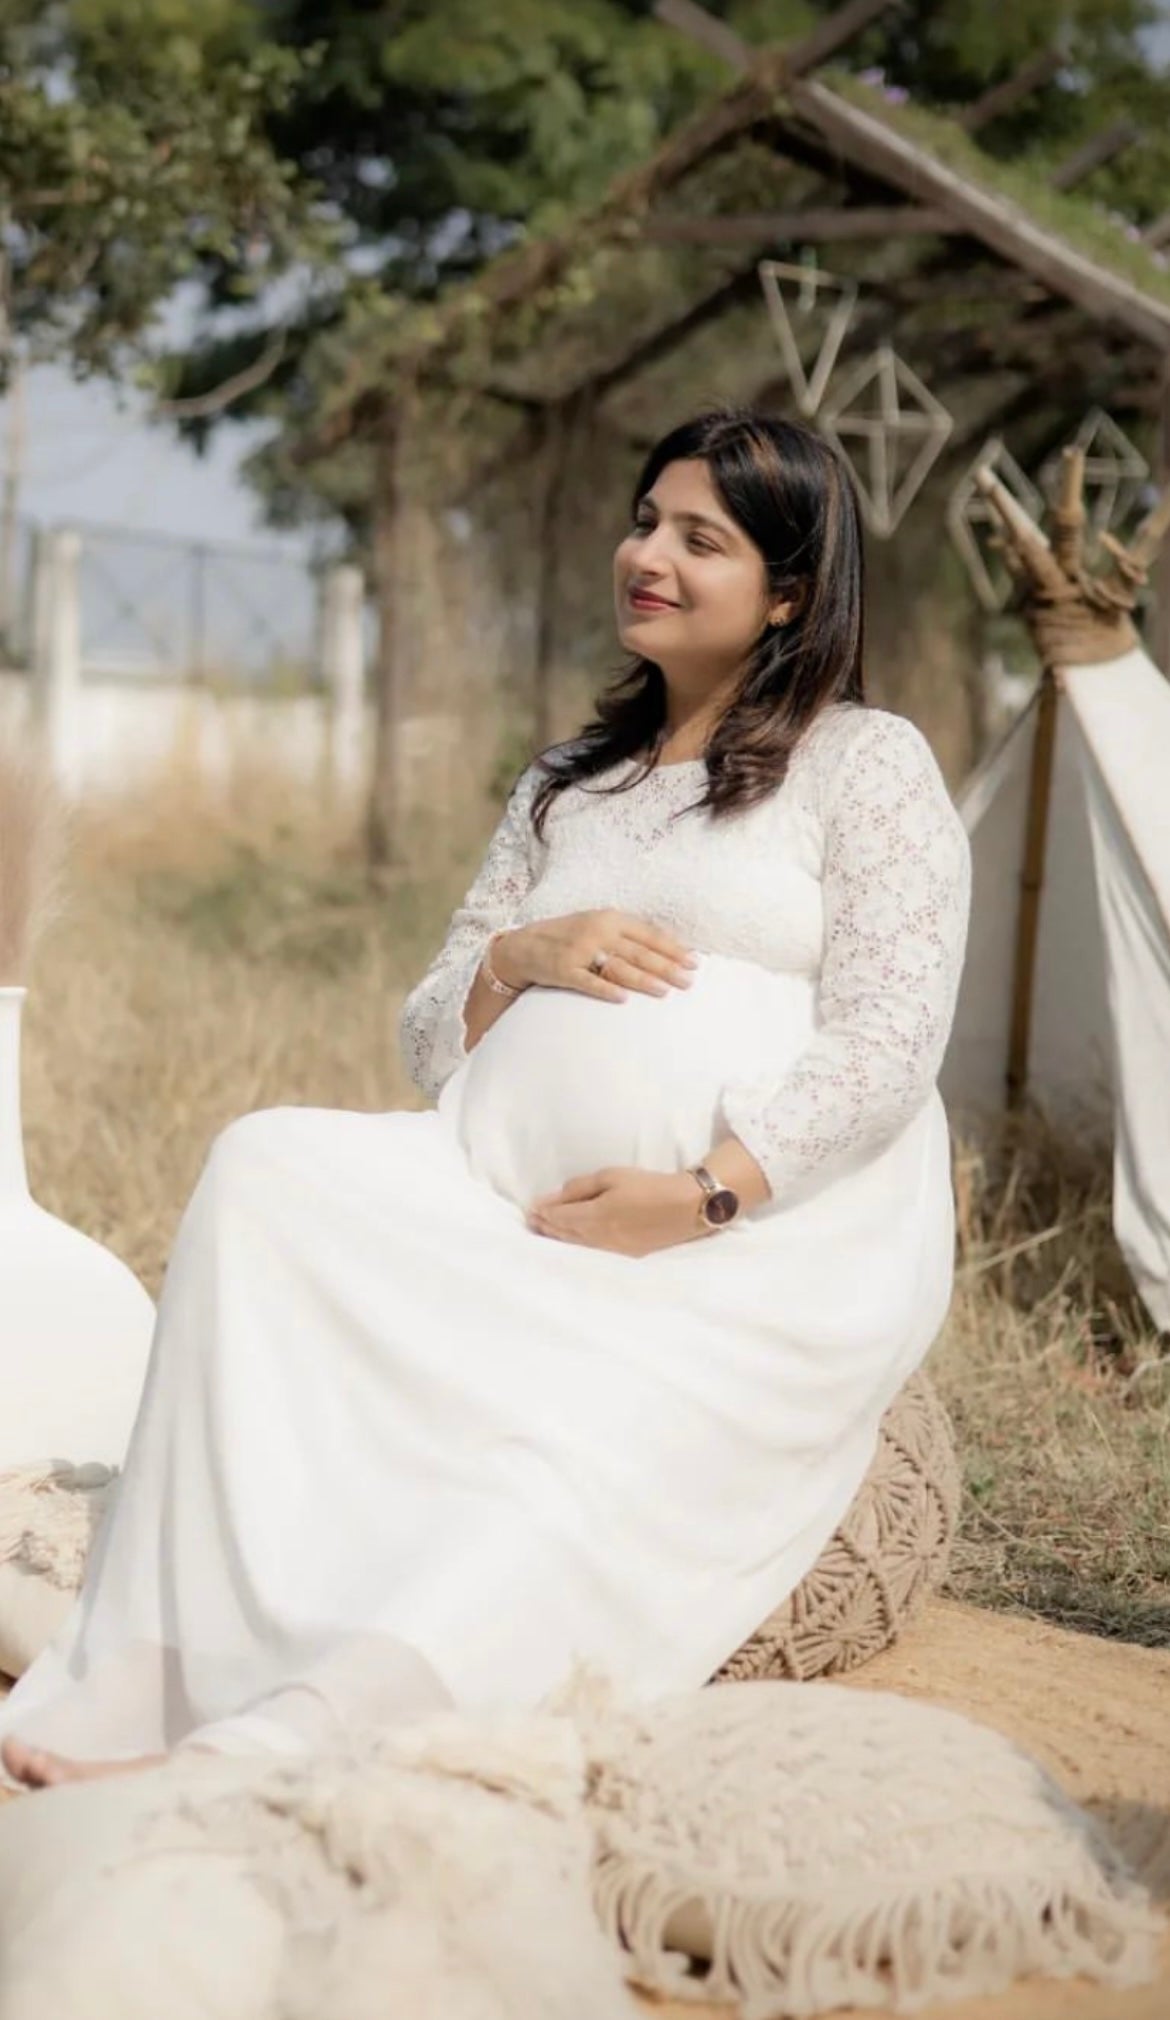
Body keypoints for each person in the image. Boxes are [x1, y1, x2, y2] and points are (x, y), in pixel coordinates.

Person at [0, 407, 970, 1791]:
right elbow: (424, 1039)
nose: (649, 554)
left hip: (745, 1238)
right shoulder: (567, 784)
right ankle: (147, 1682)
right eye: (645, 521)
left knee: (538, 1482)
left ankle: (294, 1732)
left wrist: (699, 1193)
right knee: (266, 1164)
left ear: (790, 592)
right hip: (496, 1201)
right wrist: (518, 957)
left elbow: (891, 1035)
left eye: (700, 539)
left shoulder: (862, 764)